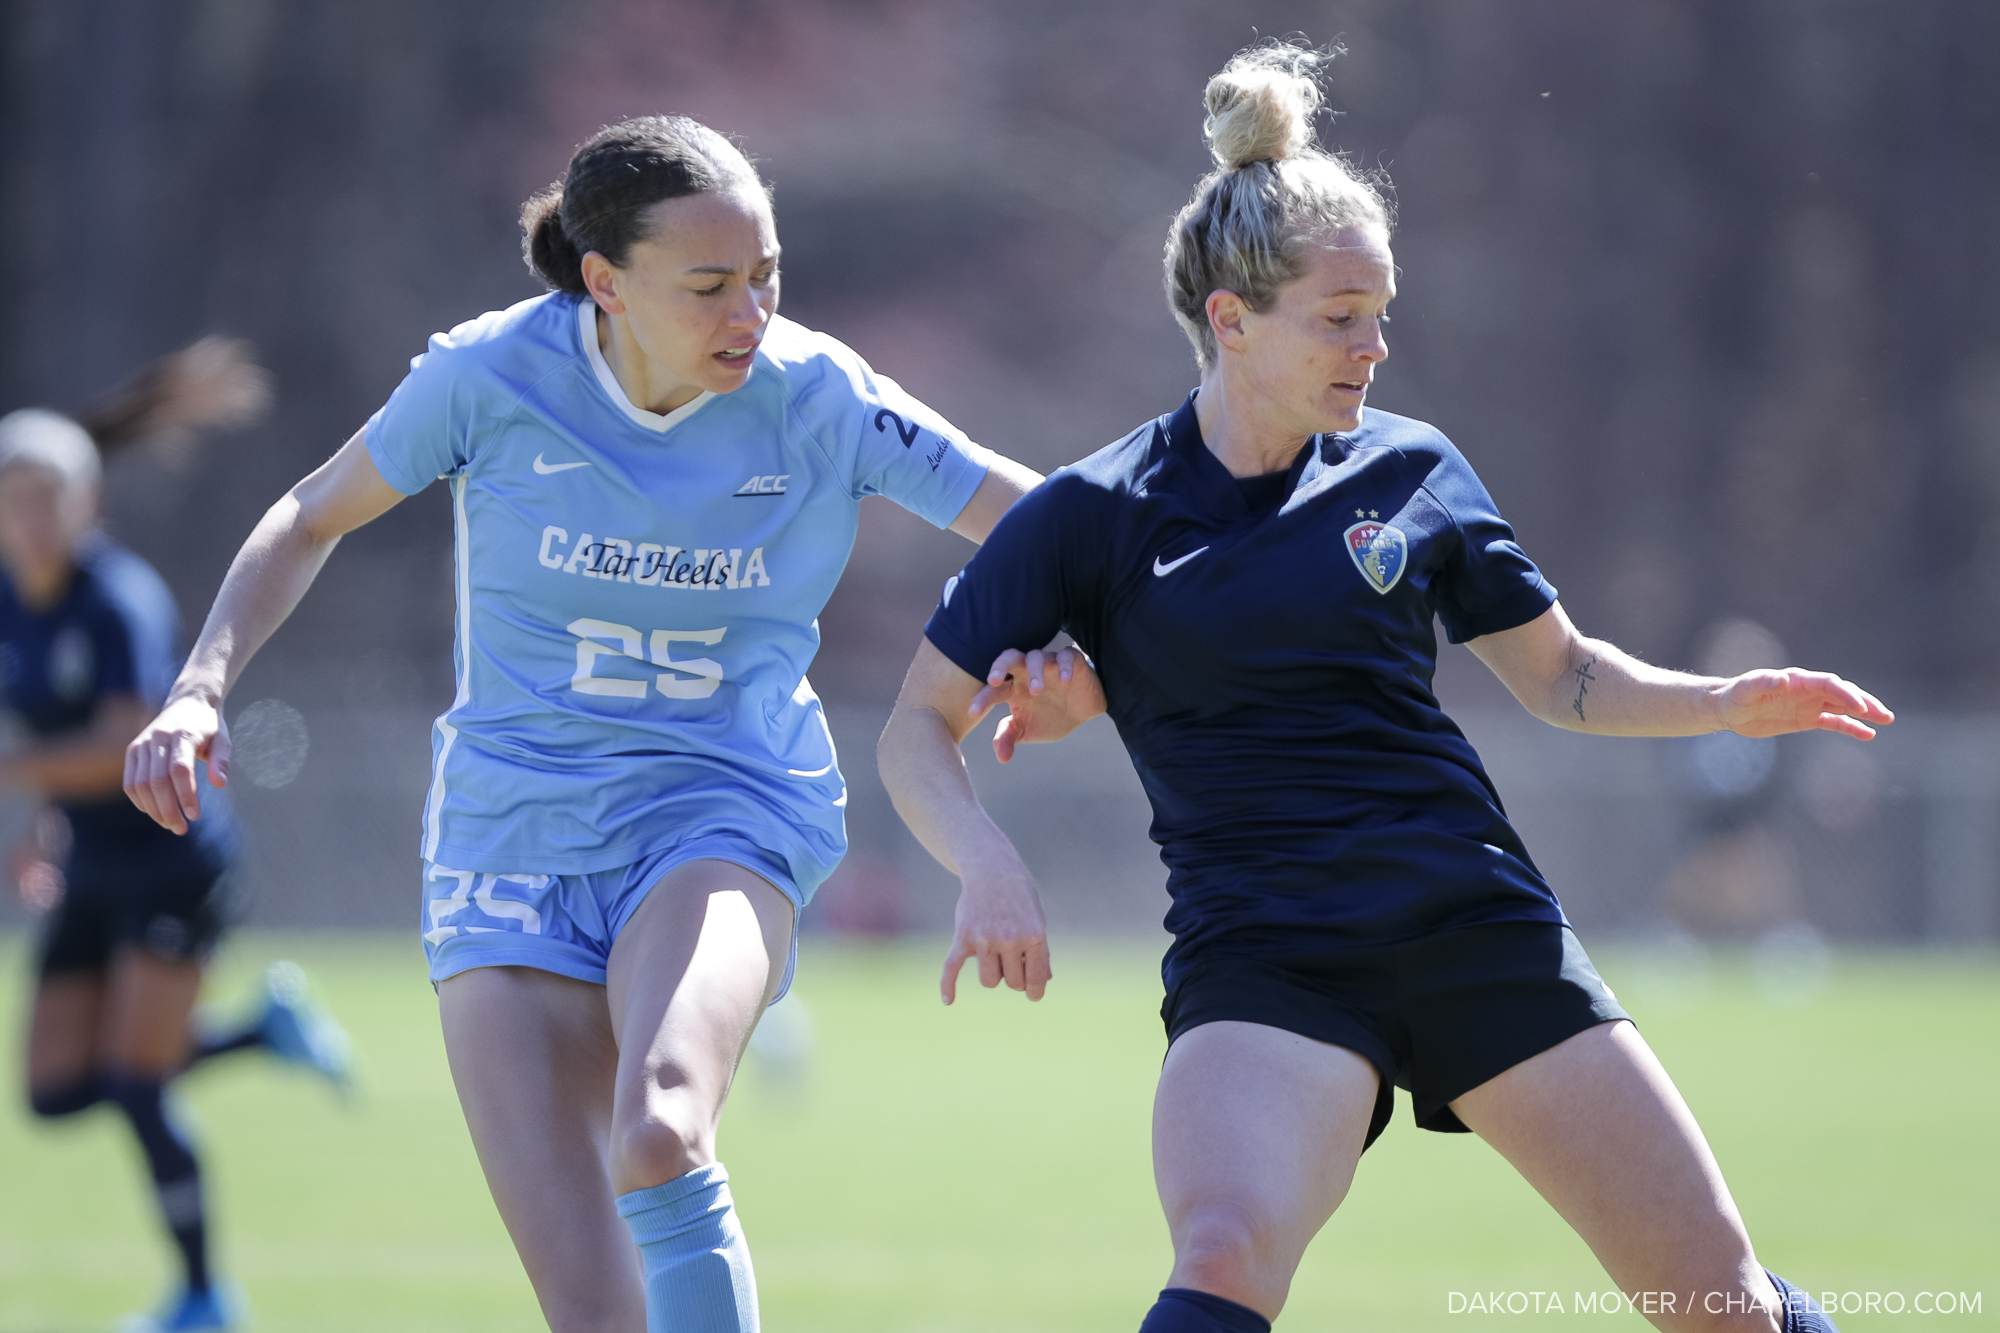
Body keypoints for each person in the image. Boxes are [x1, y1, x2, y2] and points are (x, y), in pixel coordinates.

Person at [876, 42, 1882, 1333]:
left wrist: (1722, 700)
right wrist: (985, 860)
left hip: (1468, 917)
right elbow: (916, 722)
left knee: (1716, 1304)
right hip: (1266, 948)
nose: (1376, 345)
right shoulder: (1092, 511)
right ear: (1232, 319)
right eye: (1340, 318)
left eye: (1382, 311)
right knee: (1226, 1252)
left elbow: (1566, 678)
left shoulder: (1415, 471)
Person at [122, 115, 1044, 1333]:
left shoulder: (818, 396)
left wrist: (1067, 622)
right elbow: (306, 518)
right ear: (604, 283)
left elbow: (1036, 516)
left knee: (662, 1125)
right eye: (710, 285)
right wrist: (198, 685)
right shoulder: (486, 376)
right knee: (594, 1314)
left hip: (720, 810)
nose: (749, 313)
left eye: (766, 276)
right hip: (507, 843)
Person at [5, 343, 352, 1333]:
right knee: (54, 1090)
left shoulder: (115, 600)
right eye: (12, 496)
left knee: (134, 1083)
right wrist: (37, 823)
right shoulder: (6, 601)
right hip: (92, 866)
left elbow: (119, 739)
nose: (26, 516)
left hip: (170, 859)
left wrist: (12, 778)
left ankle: (205, 1297)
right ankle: (260, 1031)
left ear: (86, 507)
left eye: (45, 496)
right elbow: (44, 735)